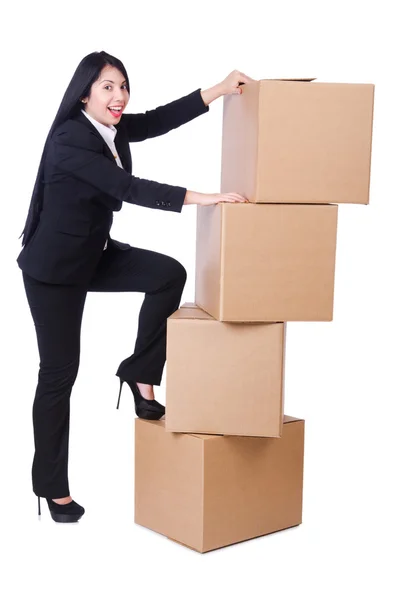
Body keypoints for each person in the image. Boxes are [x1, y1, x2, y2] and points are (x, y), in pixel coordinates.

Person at [16, 50, 254, 523]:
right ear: (84, 93)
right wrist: (205, 199)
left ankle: (140, 373)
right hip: (54, 272)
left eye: (123, 86)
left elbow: (158, 121)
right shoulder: (69, 140)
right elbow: (128, 188)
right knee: (60, 375)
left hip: (92, 255)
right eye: (108, 87)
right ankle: (52, 488)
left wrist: (220, 88)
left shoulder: (110, 128)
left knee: (167, 274)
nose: (119, 95)